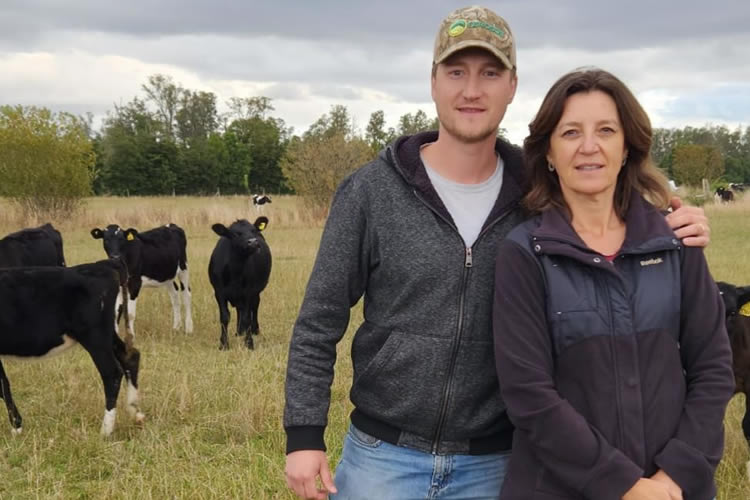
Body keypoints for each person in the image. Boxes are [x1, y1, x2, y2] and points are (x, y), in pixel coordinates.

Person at [284, 7, 711, 500]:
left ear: (512, 86)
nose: (472, 90)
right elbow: (318, 320)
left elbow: (610, 206)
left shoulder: (539, 191)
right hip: (383, 456)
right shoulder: (371, 191)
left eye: (490, 73)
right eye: (456, 72)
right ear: (433, 81)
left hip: (495, 463)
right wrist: (304, 435)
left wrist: (670, 219)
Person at [492, 68, 734, 500]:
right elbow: (529, 395)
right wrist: (625, 486)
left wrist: (673, 476)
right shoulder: (525, 254)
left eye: (606, 130)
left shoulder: (676, 243)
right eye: (570, 132)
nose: (590, 147)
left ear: (626, 148)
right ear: (549, 151)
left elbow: (713, 369)